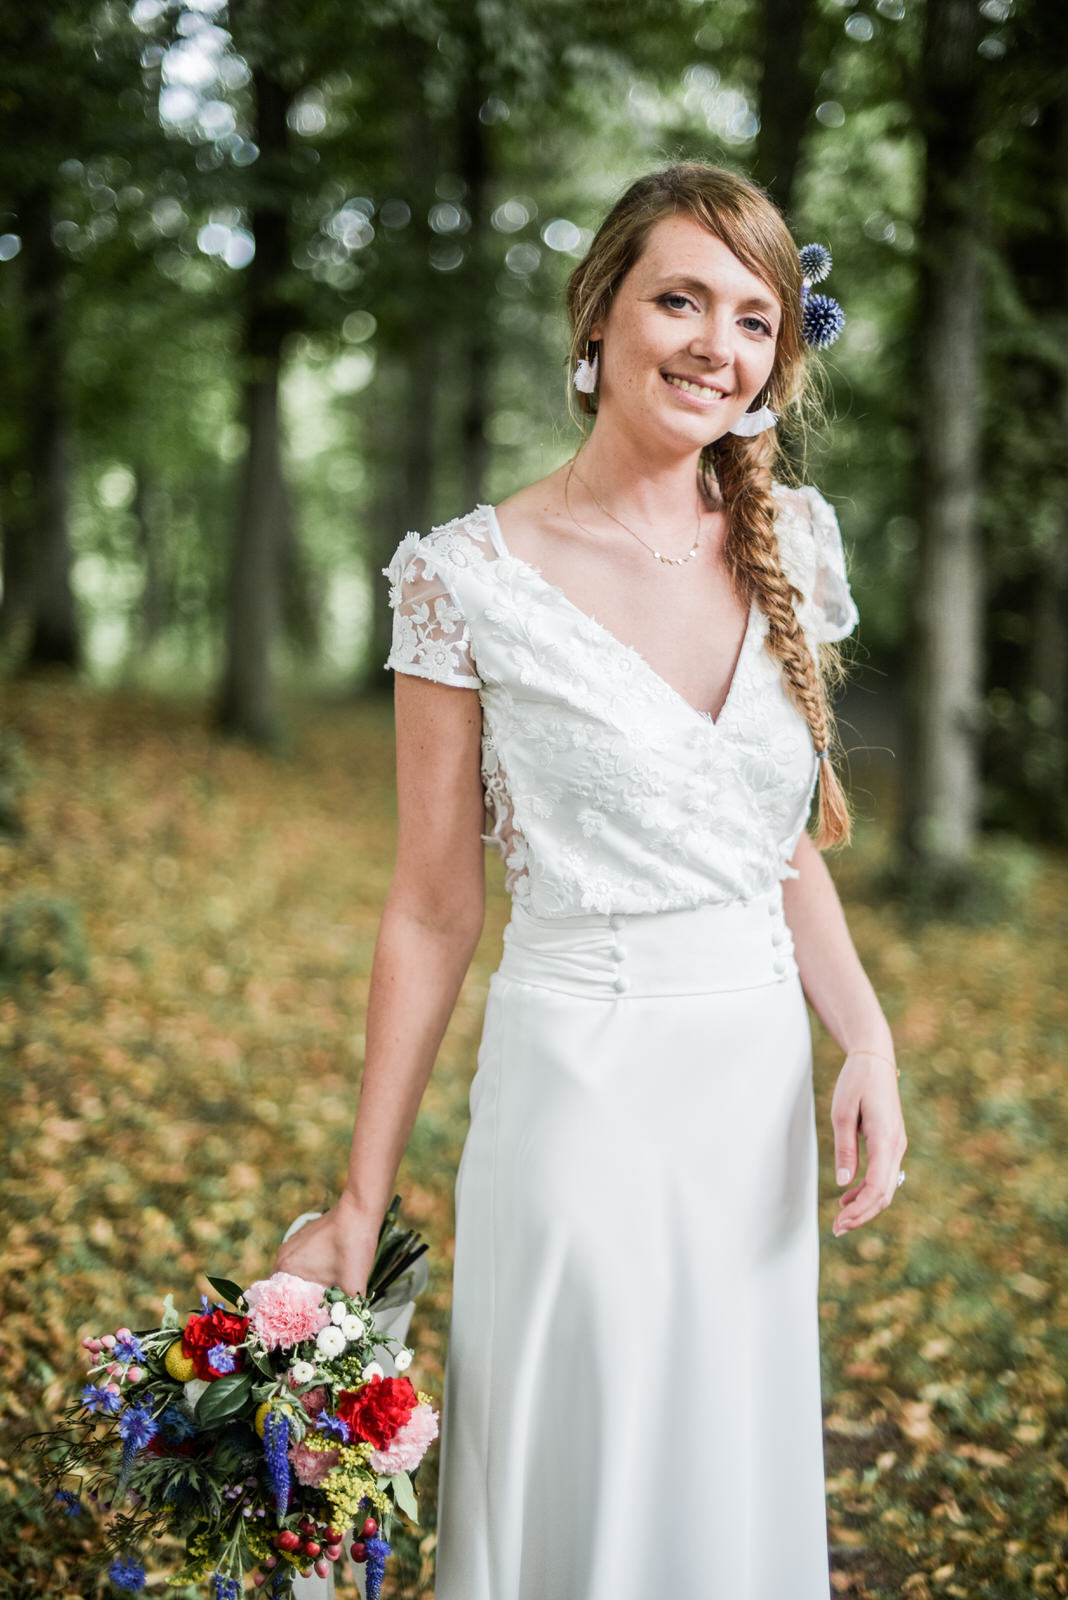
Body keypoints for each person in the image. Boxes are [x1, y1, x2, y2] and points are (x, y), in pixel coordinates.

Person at [275, 162, 908, 1600]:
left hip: (748, 1111)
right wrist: (358, 1200)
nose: (715, 343)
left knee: (721, 1491)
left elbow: (777, 842)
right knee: (590, 1481)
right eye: (679, 298)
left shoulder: (793, 545)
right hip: (578, 1089)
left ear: (777, 355)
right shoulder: (467, 577)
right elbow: (434, 906)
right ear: (599, 317)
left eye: (753, 317)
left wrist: (860, 1031)